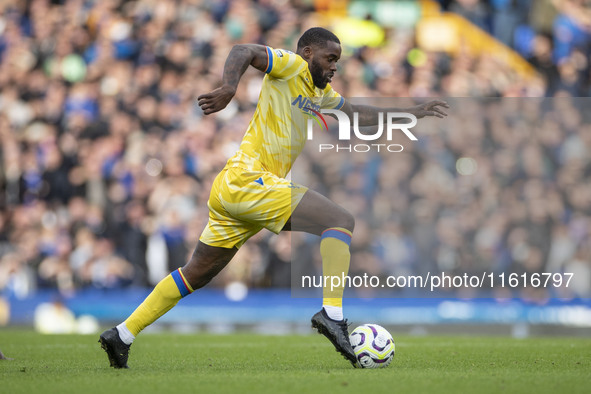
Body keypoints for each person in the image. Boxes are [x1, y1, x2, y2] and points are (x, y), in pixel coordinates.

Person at [99, 27, 448, 368]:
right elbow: (243, 51)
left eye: (337, 61)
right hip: (250, 180)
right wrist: (228, 87)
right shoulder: (291, 66)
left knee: (196, 274)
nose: (334, 66)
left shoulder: (319, 94)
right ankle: (333, 314)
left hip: (236, 190)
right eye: (329, 58)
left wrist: (412, 112)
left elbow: (356, 113)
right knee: (341, 221)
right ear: (308, 53)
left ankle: (122, 334)